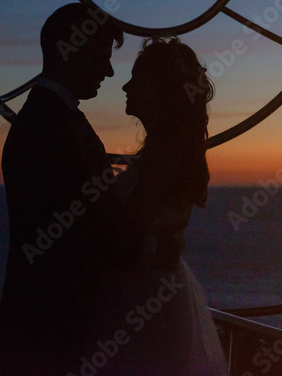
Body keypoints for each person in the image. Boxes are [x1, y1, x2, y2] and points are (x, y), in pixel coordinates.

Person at [0, 3, 140, 374]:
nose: (108, 71)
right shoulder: (51, 126)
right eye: (100, 57)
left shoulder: (48, 119)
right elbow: (84, 230)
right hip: (50, 326)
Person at [96, 36, 228, 374]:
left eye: (138, 79)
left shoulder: (163, 160)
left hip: (141, 301)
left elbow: (126, 235)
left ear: (162, 92)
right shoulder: (165, 154)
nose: (126, 85)